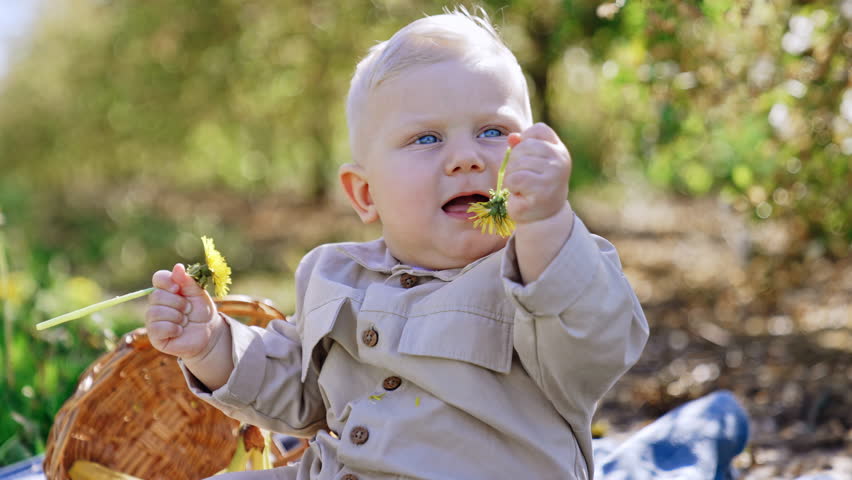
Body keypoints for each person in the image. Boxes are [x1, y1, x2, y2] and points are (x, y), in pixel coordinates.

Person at [145, 8, 649, 480]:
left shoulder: (540, 273)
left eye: (494, 131)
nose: (466, 158)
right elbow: (297, 390)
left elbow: (596, 341)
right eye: (427, 139)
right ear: (365, 194)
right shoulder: (334, 274)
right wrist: (211, 343)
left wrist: (548, 223)